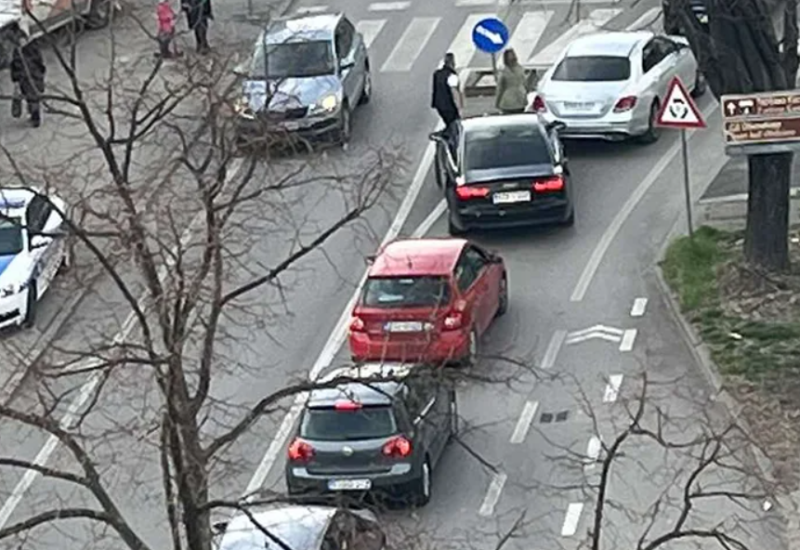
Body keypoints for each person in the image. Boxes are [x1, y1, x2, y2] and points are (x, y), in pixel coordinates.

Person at [10, 27, 45, 128]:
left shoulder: (32, 49)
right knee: (30, 98)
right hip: (24, 79)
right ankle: (33, 115)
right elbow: (14, 66)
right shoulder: (17, 51)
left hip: (33, 77)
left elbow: (39, 63)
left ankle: (35, 119)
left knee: (33, 98)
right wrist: (15, 79)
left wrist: (38, 74)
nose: (21, 42)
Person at [431, 52, 463, 154]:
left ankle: (446, 137)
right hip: (449, 106)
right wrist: (459, 108)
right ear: (452, 63)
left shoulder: (437, 74)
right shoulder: (452, 76)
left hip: (439, 105)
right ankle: (452, 148)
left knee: (449, 124)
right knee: (454, 127)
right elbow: (455, 94)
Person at [495, 48, 528, 114]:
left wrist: (497, 102)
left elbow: (500, 88)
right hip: (520, 99)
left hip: (507, 102)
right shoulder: (520, 69)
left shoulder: (503, 71)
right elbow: (525, 84)